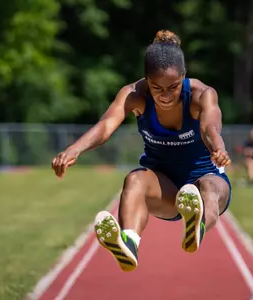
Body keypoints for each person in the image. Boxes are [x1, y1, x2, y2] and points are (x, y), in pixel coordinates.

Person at [51, 30, 232, 272]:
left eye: (174, 87)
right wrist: (75, 149)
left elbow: (210, 127)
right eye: (157, 88)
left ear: (184, 76)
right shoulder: (134, 95)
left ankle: (196, 226)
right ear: (146, 80)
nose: (165, 95)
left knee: (209, 189)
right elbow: (106, 125)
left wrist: (218, 148)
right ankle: (128, 244)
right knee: (134, 179)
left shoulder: (202, 94)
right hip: (163, 188)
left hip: (204, 177)